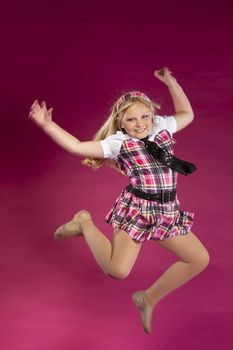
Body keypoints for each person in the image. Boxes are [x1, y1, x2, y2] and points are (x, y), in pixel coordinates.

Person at [28, 67, 210, 334]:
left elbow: (187, 114)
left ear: (152, 114)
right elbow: (78, 146)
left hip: (165, 211)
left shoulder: (162, 128)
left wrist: (172, 83)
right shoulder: (118, 143)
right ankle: (84, 223)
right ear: (121, 122)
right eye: (132, 119)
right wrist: (47, 125)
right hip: (137, 210)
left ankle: (147, 298)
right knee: (117, 271)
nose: (140, 123)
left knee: (198, 259)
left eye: (144, 116)